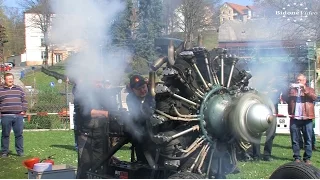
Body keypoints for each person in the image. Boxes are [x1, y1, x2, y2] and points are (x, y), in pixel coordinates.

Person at [73, 80, 111, 179]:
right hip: (85, 134)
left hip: (101, 133)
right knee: (85, 164)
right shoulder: (81, 94)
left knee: (100, 164)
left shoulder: (102, 94)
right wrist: (105, 113)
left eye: (100, 82)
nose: (99, 84)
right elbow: (86, 111)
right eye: (96, 82)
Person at [285, 74, 317, 165]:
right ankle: (297, 157)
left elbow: (314, 97)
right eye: (297, 80)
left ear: (304, 81)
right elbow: (285, 98)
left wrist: (304, 89)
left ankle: (307, 158)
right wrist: (288, 89)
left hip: (307, 118)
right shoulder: (292, 91)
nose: (298, 82)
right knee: (295, 139)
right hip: (295, 118)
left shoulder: (310, 89)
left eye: (300, 80)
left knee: (308, 139)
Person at [126, 74, 154, 163]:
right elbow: (137, 115)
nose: (142, 90)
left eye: (143, 87)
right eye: (139, 89)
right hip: (140, 134)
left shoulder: (153, 95)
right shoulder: (130, 98)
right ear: (133, 90)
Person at [0, 73, 28, 158]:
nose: (10, 80)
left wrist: (24, 110)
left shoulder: (19, 89)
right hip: (5, 116)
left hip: (18, 116)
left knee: (19, 134)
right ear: (5, 80)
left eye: (11, 79)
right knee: (5, 135)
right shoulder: (1, 90)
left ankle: (20, 152)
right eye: (8, 79)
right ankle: (4, 152)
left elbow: (24, 100)